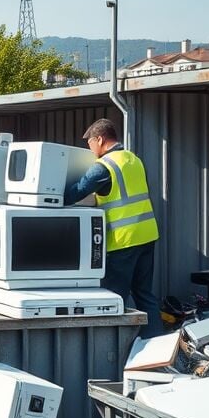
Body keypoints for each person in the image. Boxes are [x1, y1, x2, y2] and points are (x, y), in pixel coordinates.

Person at [64, 118, 163, 337]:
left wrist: (46, 196)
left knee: (113, 297)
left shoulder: (104, 166)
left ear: (99, 139)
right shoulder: (133, 159)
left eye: (90, 144)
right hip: (146, 235)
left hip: (123, 240)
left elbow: (76, 192)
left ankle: (113, 347)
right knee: (144, 294)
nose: (89, 150)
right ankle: (157, 346)